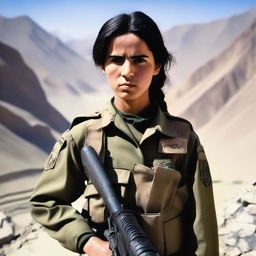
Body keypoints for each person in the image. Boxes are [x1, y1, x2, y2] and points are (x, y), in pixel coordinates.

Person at [29, 11, 219, 256]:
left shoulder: (182, 137)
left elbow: (203, 225)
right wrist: (90, 243)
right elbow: (45, 202)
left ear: (157, 65)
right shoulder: (84, 136)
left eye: (140, 60)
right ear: (102, 65)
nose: (127, 71)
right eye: (116, 60)